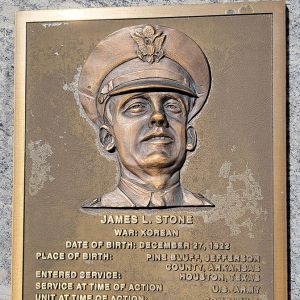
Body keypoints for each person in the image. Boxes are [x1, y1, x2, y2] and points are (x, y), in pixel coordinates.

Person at [78, 24, 214, 208]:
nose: (158, 116)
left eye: (172, 106)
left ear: (189, 136)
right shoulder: (94, 210)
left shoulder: (205, 207)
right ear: (108, 137)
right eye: (136, 107)